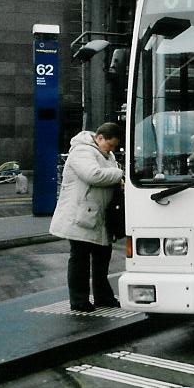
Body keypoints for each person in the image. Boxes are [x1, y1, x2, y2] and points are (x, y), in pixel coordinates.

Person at [49, 122, 124, 312]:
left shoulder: (106, 153)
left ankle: (103, 297)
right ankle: (79, 301)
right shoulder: (82, 151)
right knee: (80, 259)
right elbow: (93, 175)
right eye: (111, 145)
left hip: (98, 216)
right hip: (80, 216)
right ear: (100, 138)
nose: (112, 149)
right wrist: (120, 173)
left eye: (114, 146)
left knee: (102, 257)